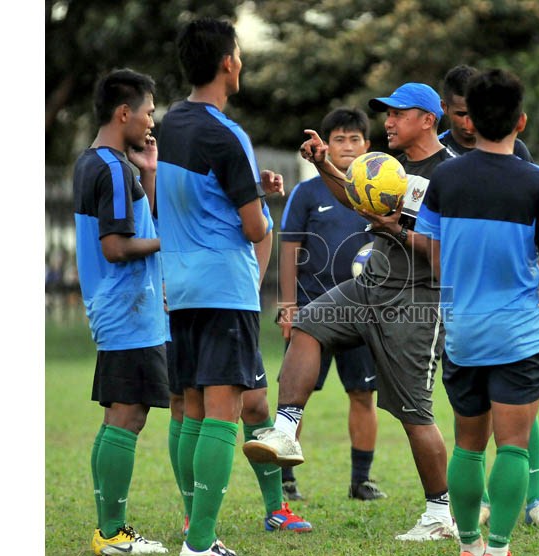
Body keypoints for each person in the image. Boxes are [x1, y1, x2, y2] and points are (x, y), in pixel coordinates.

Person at [245, 82, 459, 541]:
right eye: (387, 113)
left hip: (416, 302)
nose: (388, 121)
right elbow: (355, 195)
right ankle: (285, 430)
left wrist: (398, 230)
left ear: (427, 119)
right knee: (308, 323)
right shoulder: (392, 167)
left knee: (414, 413)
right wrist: (323, 164)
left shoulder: (451, 175)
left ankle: (442, 514)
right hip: (370, 286)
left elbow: (451, 257)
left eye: (398, 114)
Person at [155, 18, 311, 556]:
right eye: (239, 54)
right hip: (225, 288)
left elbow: (192, 199)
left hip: (180, 290)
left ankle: (191, 525)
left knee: (191, 410)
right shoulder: (227, 133)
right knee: (223, 413)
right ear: (228, 63)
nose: (241, 62)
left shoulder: (170, 124)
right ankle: (201, 544)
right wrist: (264, 210)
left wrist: (249, 194)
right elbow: (251, 228)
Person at [416, 68, 539, 556]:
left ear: (471, 120)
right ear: (521, 122)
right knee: (514, 447)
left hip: (463, 332)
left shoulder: (444, 177)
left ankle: (468, 544)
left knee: (468, 445)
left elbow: (434, 252)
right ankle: (499, 547)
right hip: (519, 334)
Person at [73, 68, 169, 555]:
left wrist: (148, 173)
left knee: (118, 417)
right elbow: (116, 246)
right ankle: (112, 535)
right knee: (127, 417)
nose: (152, 121)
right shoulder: (111, 168)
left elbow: (132, 224)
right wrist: (170, 244)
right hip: (128, 308)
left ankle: (107, 529)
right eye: (149, 111)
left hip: (119, 307)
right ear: (124, 112)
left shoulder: (98, 162)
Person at [276, 107, 387, 502]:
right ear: (325, 144)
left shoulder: (378, 194)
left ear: (368, 147)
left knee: (363, 394)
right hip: (311, 313)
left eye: (355, 139)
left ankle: (362, 480)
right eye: (338, 139)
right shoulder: (307, 193)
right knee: (295, 397)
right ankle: (285, 479)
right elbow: (288, 248)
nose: (347, 146)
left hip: (364, 312)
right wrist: (288, 306)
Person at [439, 64, 533, 162]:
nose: (469, 121)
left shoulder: (515, 149)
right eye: (461, 114)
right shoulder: (434, 151)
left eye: (474, 112)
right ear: (444, 107)